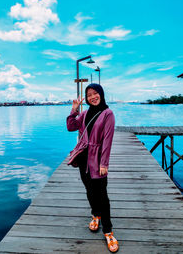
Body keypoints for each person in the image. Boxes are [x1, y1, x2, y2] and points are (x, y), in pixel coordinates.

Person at [66, 83, 119, 253]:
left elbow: (107, 140)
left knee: (102, 195)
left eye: (95, 93)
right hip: (83, 158)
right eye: (89, 95)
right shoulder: (84, 112)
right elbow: (71, 127)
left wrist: (104, 163)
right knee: (89, 189)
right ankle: (95, 215)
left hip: (97, 160)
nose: (92, 97)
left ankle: (108, 231)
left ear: (101, 94)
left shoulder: (108, 113)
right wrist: (74, 110)